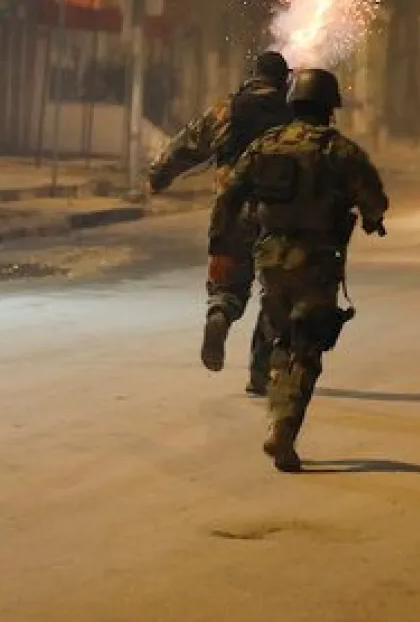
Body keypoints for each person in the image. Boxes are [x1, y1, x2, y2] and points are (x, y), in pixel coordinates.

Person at [209, 68, 388, 472]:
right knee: (306, 348)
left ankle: (278, 420)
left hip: (270, 261)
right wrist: (373, 218)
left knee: (279, 342)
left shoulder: (266, 145)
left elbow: (229, 197)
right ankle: (283, 429)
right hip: (317, 265)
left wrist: (221, 247)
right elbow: (374, 199)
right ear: (329, 108)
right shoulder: (339, 151)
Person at [147, 50, 292, 395]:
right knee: (276, 295)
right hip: (279, 218)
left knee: (229, 284)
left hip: (231, 212)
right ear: (284, 80)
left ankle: (220, 314)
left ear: (252, 76)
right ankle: (260, 372)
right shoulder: (294, 116)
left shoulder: (228, 109)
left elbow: (188, 143)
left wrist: (158, 175)